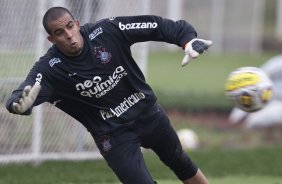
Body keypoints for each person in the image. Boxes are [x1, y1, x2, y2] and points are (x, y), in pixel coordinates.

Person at [6, 7, 212, 184]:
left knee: (180, 161)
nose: (68, 35)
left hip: (148, 114)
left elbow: (157, 25)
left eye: (70, 26)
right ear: (51, 39)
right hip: (113, 136)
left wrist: (187, 40)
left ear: (77, 24)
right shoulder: (50, 68)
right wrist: (17, 104)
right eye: (59, 32)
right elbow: (24, 91)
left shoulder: (107, 30)